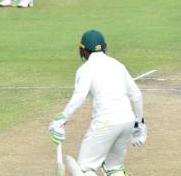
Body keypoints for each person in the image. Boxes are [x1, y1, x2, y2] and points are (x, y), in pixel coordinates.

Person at [49, 30, 146, 176]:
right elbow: (136, 96)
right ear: (105, 47)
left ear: (84, 50)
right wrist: (139, 126)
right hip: (127, 121)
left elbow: (80, 96)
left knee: (85, 168)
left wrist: (61, 119)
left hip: (105, 122)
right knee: (114, 167)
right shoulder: (118, 65)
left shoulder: (85, 69)